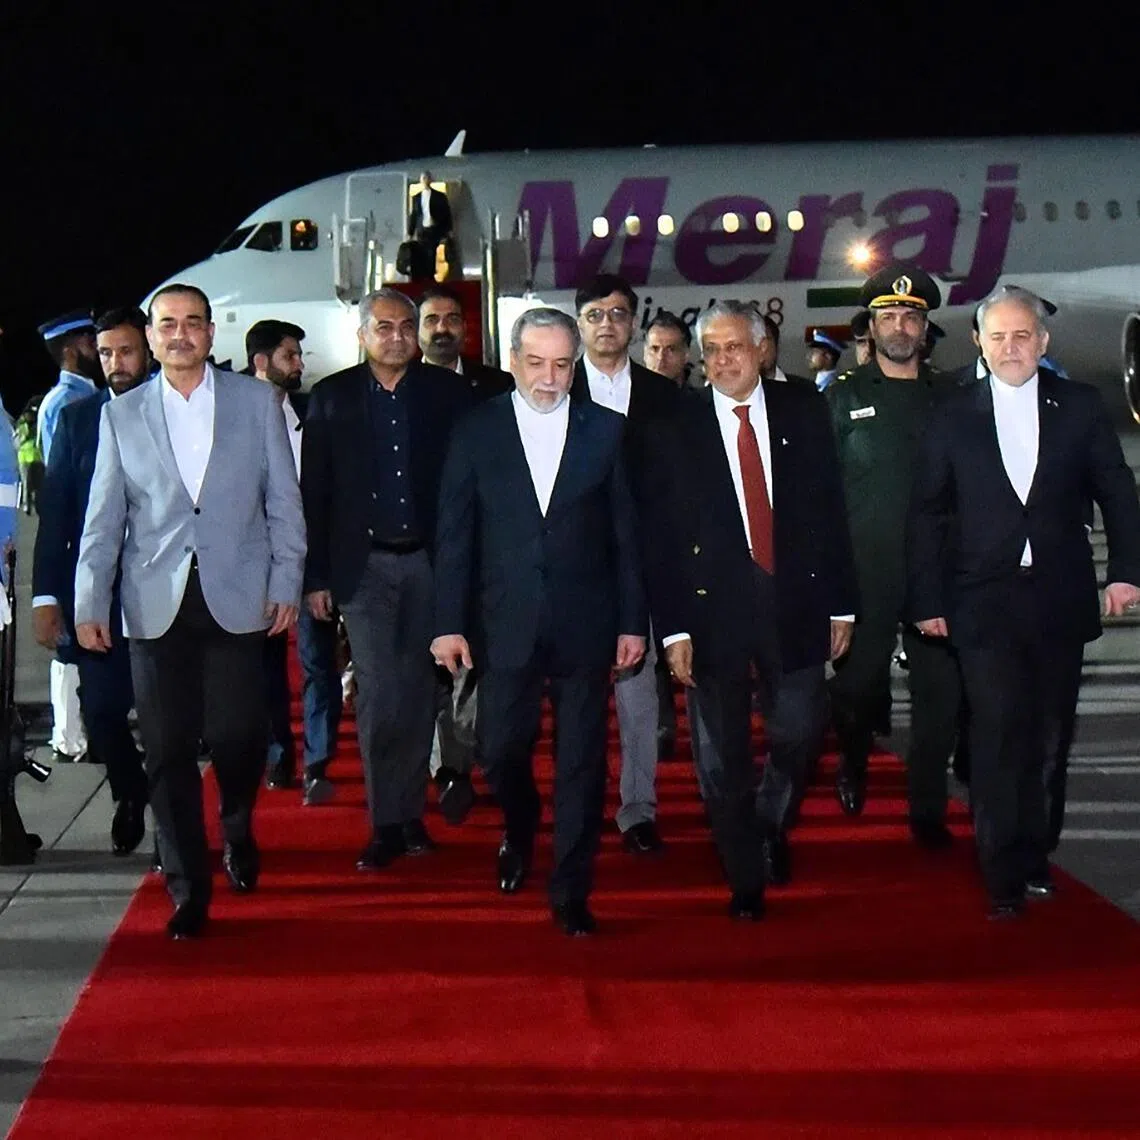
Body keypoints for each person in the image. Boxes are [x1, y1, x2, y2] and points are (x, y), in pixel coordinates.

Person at [74, 284, 305, 939]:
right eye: (167, 324)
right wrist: (90, 599)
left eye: (192, 323)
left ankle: (235, 819)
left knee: (238, 738)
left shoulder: (257, 403)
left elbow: (284, 504)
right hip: (154, 603)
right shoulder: (121, 416)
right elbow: (104, 518)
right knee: (169, 749)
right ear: (150, 336)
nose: (180, 334)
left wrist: (286, 581)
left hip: (238, 598)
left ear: (210, 332)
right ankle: (187, 886)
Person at [908, 285, 1140, 919]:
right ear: (979, 344)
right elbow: (928, 512)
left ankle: (1038, 852)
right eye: (998, 336)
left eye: (1022, 336)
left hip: (1059, 600)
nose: (1011, 347)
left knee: (1049, 737)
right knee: (996, 733)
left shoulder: (1081, 407)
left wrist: (1125, 573)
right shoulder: (949, 414)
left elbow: (1118, 493)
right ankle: (1001, 869)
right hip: (980, 601)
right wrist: (926, 598)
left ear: (1042, 342)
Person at [432, 308, 646, 936]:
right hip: (504, 623)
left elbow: (626, 536)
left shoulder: (607, 431)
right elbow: (454, 534)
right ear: (511, 361)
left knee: (582, 761)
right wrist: (448, 621)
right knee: (499, 751)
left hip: (587, 621)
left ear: (575, 365)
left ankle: (572, 886)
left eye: (561, 365)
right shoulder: (476, 430)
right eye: (535, 363)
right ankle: (520, 824)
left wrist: (633, 620)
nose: (549, 378)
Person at [643, 301, 857, 914]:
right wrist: (673, 627)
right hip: (711, 613)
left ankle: (770, 819)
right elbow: (660, 537)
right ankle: (744, 874)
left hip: (797, 601)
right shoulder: (674, 426)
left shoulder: (805, 410)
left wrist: (842, 603)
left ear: (762, 349)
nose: (722, 360)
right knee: (719, 755)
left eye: (735, 347)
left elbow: (829, 511)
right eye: (711, 350)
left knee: (800, 731)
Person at [302, 288, 472, 869]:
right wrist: (316, 577)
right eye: (384, 327)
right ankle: (385, 822)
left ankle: (412, 815)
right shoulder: (330, 398)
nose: (397, 336)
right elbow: (315, 495)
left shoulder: (449, 395)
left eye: (406, 327)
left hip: (430, 561)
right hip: (363, 567)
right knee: (379, 693)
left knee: (422, 692)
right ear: (362, 335)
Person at [826, 265, 962, 848]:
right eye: (888, 317)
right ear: (871, 327)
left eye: (911, 316)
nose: (900, 326)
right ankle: (853, 758)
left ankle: (927, 813)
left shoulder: (955, 397)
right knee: (856, 691)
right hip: (866, 575)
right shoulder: (841, 398)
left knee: (940, 703)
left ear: (926, 327)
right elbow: (819, 498)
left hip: (940, 576)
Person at [32, 307, 152, 854]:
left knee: (167, 721)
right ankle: (131, 793)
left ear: (147, 350)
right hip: (97, 604)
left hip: (167, 600)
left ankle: (174, 832)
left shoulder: (172, 413)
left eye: (125, 352)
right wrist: (46, 596)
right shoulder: (80, 420)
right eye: (105, 354)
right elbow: (56, 515)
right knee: (102, 715)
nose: (115, 364)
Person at [570, 273, 678, 854]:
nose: (607, 323)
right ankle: (578, 803)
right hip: (578, 571)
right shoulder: (557, 391)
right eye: (595, 314)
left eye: (617, 313)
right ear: (580, 323)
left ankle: (638, 808)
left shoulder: (666, 398)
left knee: (640, 697)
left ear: (633, 323)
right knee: (580, 698)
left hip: (651, 568)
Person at [416, 285, 512, 822]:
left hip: (485, 550)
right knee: (428, 668)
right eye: (433, 319)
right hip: (415, 550)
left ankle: (459, 761)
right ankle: (442, 765)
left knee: (472, 666)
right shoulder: (398, 388)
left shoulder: (495, 386)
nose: (443, 328)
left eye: (453, 318)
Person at [246, 319, 343, 806]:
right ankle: (278, 753)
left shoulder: (314, 414)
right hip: (255, 566)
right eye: (290, 355)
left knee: (318, 663)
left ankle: (319, 761)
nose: (300, 364)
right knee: (263, 668)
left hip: (310, 563)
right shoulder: (234, 418)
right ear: (261, 362)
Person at [36, 311, 103, 764]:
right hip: (74, 538)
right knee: (69, 646)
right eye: (87, 341)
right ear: (68, 349)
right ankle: (68, 735)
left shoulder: (86, 397)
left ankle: (79, 731)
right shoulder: (65, 403)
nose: (96, 349)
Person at [406, 171, 453, 278]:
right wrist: (410, 232)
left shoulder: (439, 196)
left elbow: (446, 213)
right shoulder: (417, 197)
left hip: (435, 229)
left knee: (432, 252)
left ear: (431, 180)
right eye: (423, 178)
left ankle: (430, 275)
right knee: (422, 252)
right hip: (422, 229)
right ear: (420, 180)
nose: (425, 181)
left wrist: (448, 230)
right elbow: (414, 215)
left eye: (427, 178)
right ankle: (424, 275)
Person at [760, 315, 814, 388]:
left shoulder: (805, 388)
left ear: (776, 344)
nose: (758, 348)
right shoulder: (740, 392)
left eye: (763, 340)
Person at [642, 312, 692, 387]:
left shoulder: (698, 398)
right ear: (645, 353)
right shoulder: (626, 397)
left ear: (686, 355)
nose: (661, 357)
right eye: (655, 349)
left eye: (670, 350)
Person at [14, 407, 43, 515]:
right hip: (24, 458)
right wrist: (24, 435)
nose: (30, 416)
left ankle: (39, 506)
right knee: (26, 484)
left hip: (36, 458)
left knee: (38, 485)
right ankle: (27, 505)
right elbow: (16, 443)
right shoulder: (21, 427)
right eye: (28, 414)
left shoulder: (38, 426)